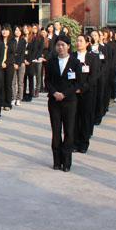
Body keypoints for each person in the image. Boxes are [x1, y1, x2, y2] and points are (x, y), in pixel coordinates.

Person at [46, 35, 80, 172]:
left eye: (63, 45)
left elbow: (78, 83)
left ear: (68, 46)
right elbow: (47, 81)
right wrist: (55, 93)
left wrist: (64, 94)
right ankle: (56, 161)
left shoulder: (75, 62)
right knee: (56, 131)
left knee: (69, 131)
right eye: (58, 45)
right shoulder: (51, 62)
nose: (60, 47)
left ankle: (66, 162)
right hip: (54, 102)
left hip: (69, 101)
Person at [71, 34, 97, 153]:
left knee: (85, 118)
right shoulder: (72, 56)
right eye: (77, 40)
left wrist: (82, 89)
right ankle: (74, 143)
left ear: (87, 43)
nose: (78, 43)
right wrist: (73, 88)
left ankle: (84, 143)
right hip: (73, 92)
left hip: (87, 93)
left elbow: (93, 77)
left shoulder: (92, 58)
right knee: (74, 118)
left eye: (81, 41)